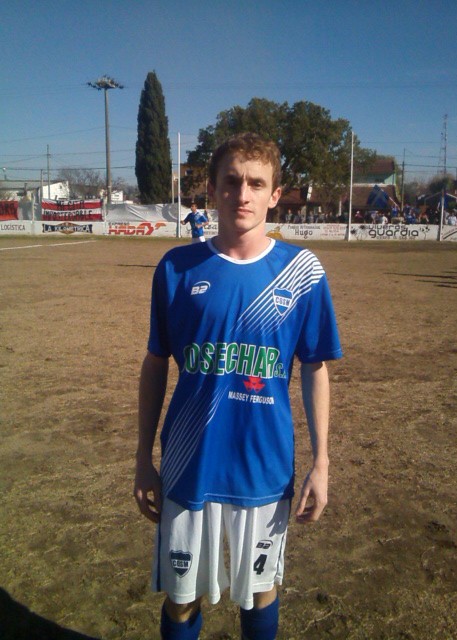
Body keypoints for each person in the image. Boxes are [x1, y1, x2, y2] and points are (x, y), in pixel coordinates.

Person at [133, 132, 343, 640]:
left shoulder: (302, 272)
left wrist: (321, 462)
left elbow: (314, 368)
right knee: (181, 599)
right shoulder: (176, 269)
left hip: (263, 465)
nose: (242, 194)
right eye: (231, 181)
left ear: (275, 194)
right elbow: (156, 363)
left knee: (260, 594)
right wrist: (142, 457)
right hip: (189, 462)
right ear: (212, 189)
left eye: (256, 183)